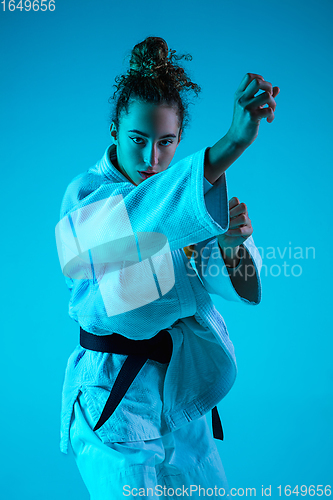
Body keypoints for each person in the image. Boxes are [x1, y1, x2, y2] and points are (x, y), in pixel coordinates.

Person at [55, 36, 280, 499]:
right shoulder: (87, 198)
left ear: (179, 140)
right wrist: (234, 142)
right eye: (138, 139)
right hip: (112, 390)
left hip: (177, 389)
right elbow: (137, 238)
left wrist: (233, 246)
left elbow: (228, 283)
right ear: (115, 129)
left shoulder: (183, 200)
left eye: (166, 142)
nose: (151, 158)